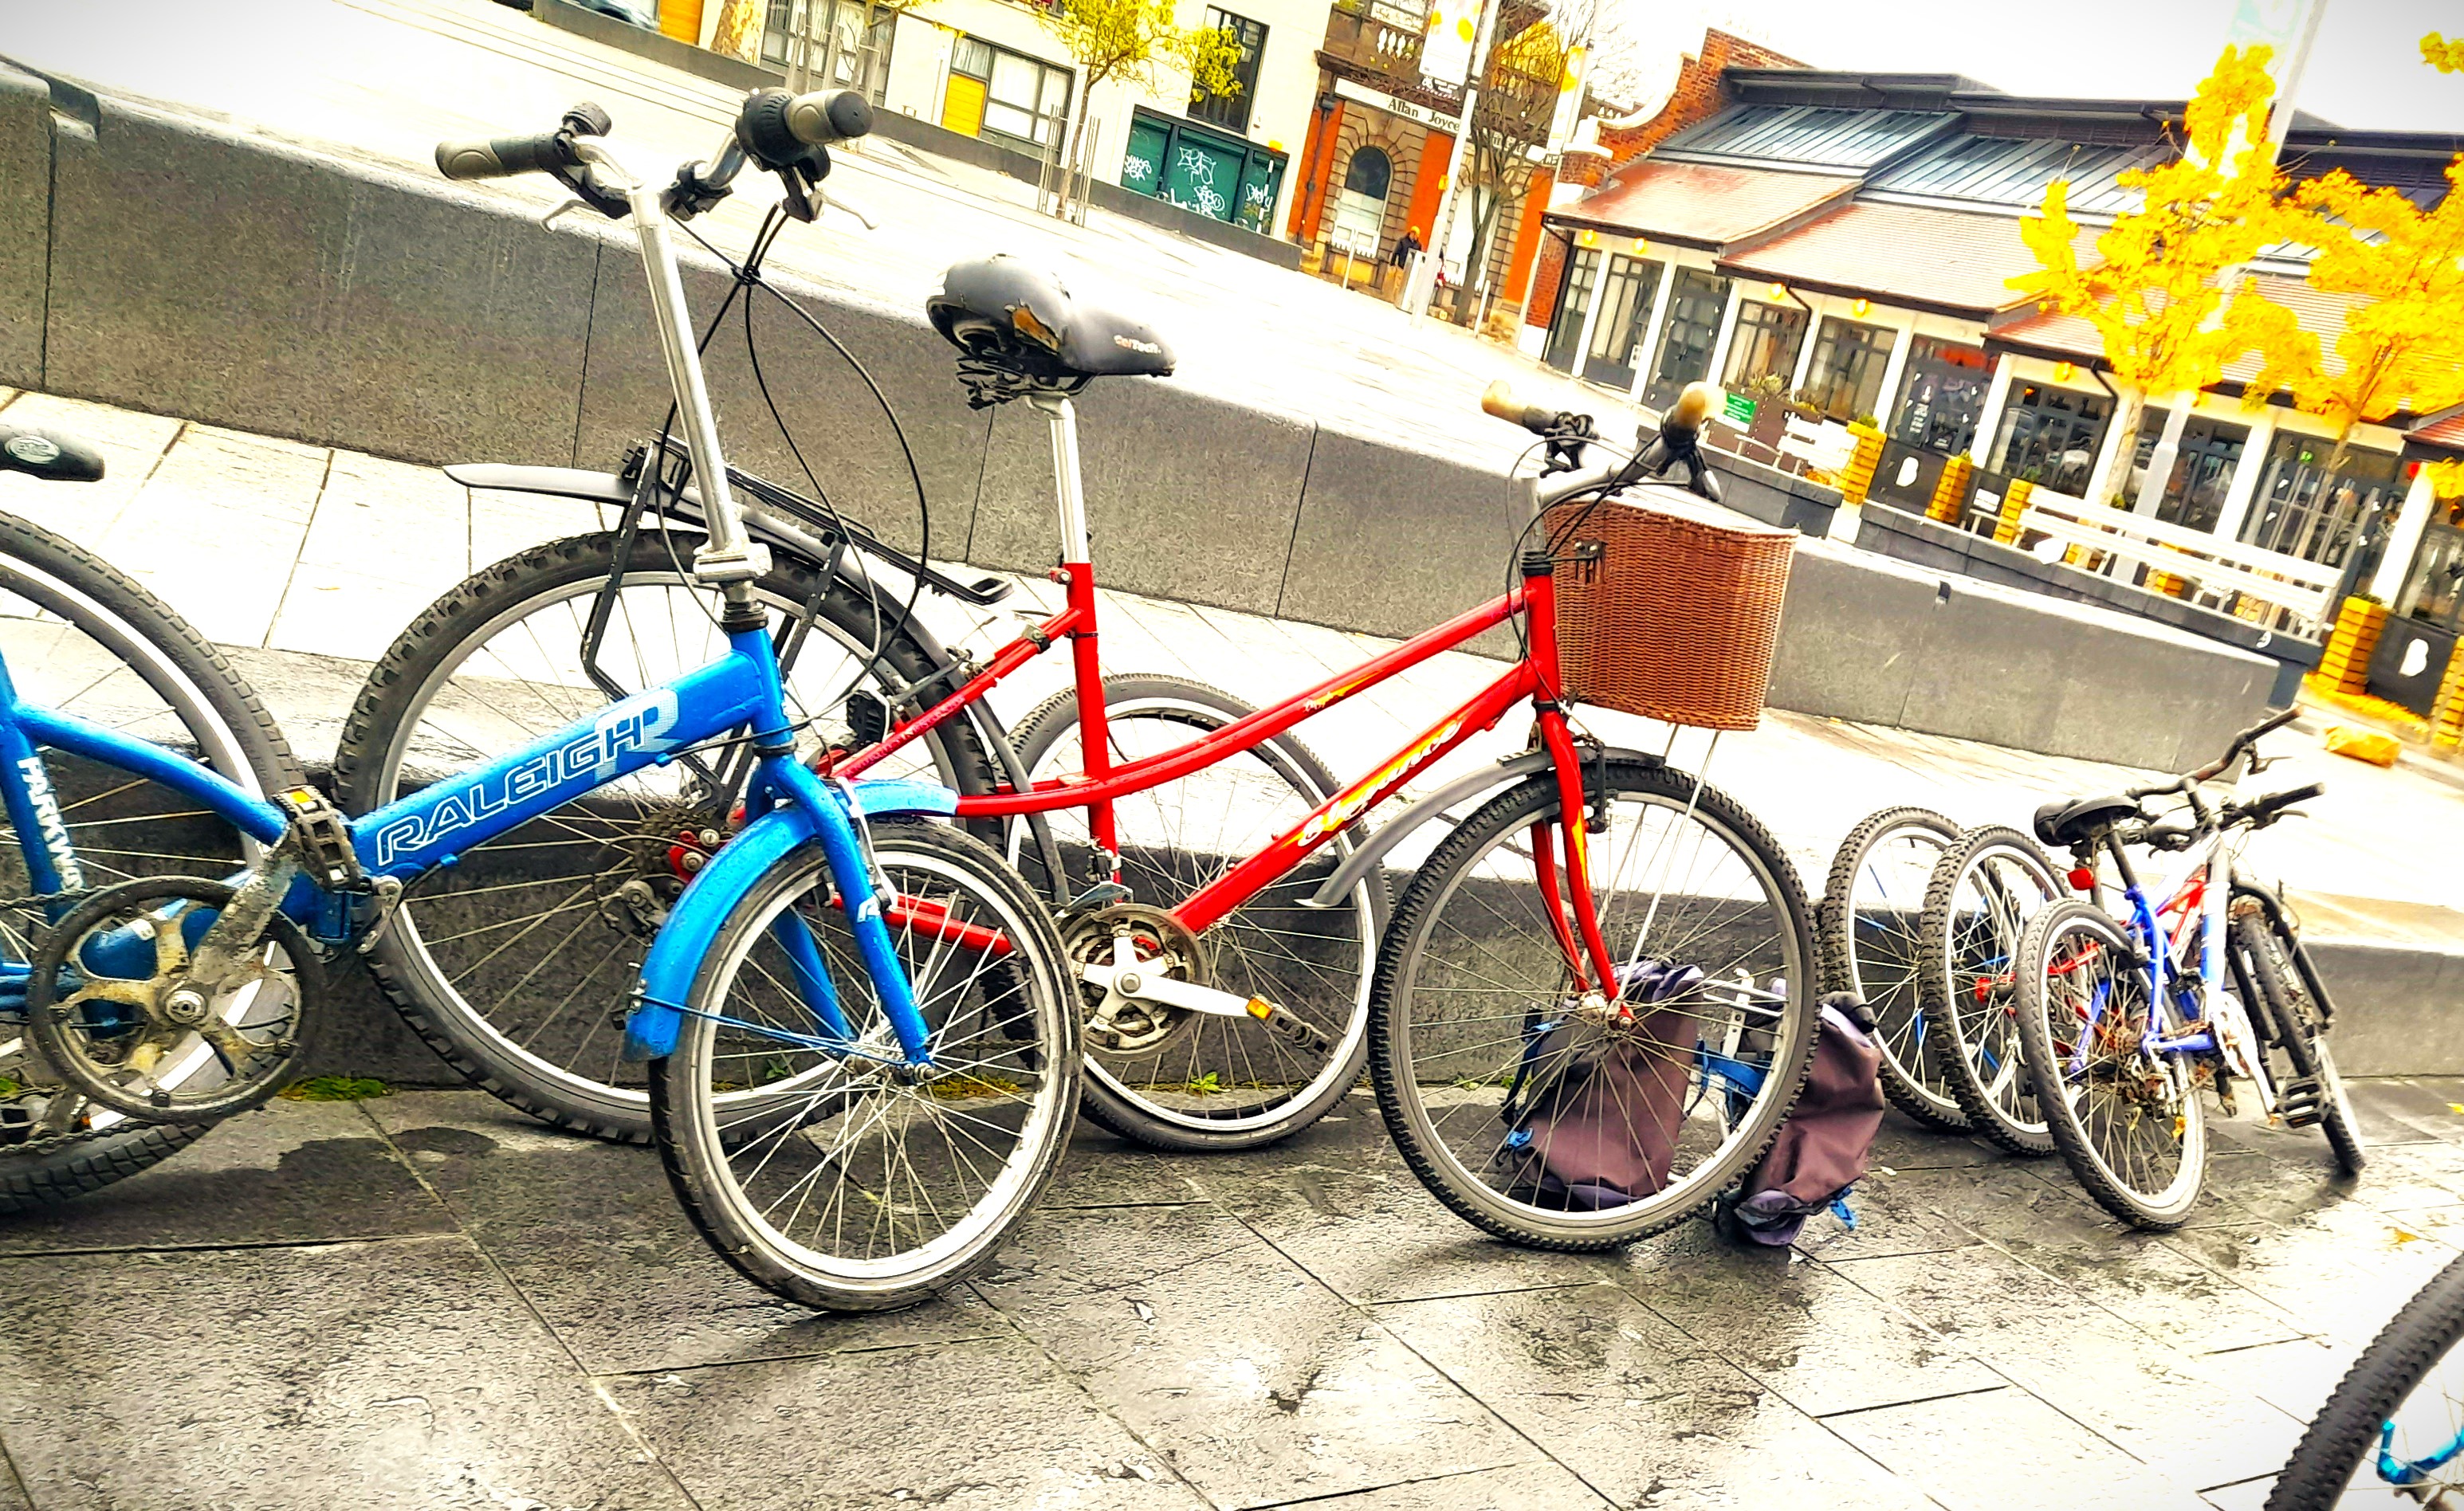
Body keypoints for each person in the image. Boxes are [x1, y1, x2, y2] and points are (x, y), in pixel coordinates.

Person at [1385, 226, 1422, 299]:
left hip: (1411, 270)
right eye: (1415, 234)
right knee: (1398, 283)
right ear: (1412, 233)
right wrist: (1392, 264)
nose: (1415, 237)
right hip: (1401, 267)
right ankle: (1394, 298)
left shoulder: (1418, 245)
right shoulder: (1403, 241)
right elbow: (1396, 252)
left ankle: (1401, 298)